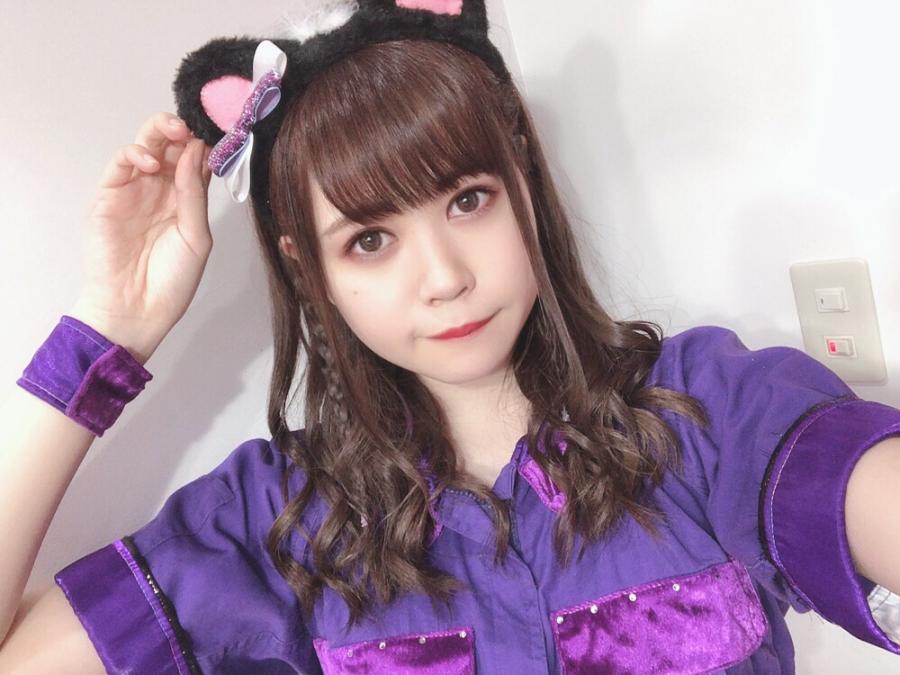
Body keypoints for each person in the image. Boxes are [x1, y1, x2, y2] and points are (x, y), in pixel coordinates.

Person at [1, 0, 899, 672]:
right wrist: (112, 323)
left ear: (522, 180)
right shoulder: (274, 521)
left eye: (468, 200)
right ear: (309, 268)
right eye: (370, 239)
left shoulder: (708, 416)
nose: (444, 277)